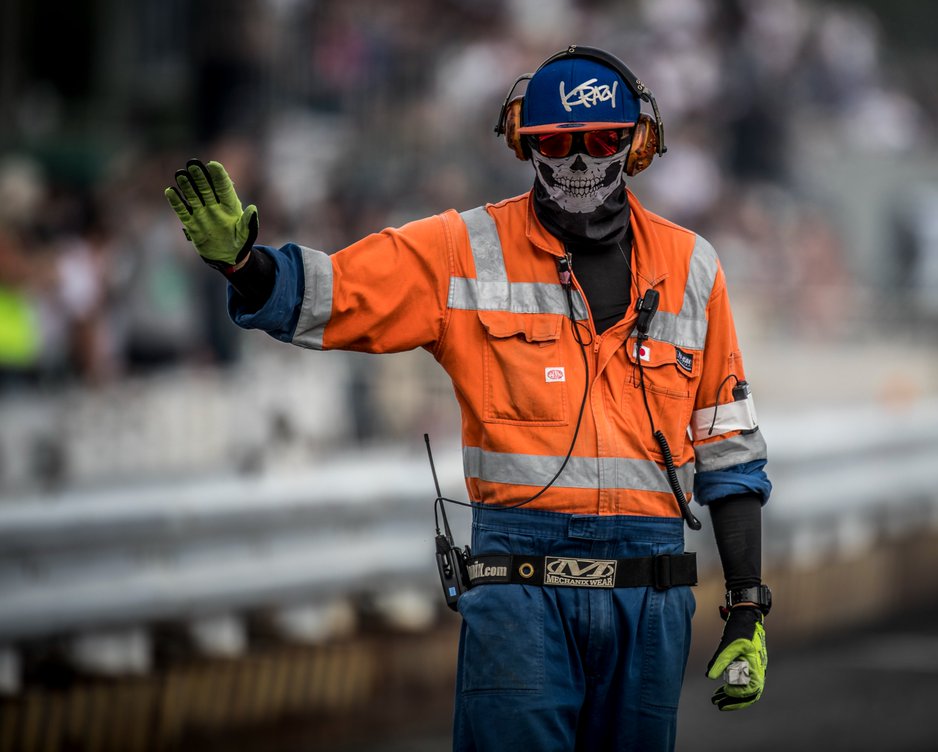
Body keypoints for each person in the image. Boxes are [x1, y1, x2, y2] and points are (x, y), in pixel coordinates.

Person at [164, 45, 772, 751]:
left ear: (637, 145)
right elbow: (342, 292)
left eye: (601, 141)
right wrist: (246, 267)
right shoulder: (463, 249)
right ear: (524, 143)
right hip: (521, 601)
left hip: (652, 601)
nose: (579, 162)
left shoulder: (693, 267)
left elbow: (729, 453)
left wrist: (746, 609)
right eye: (557, 144)